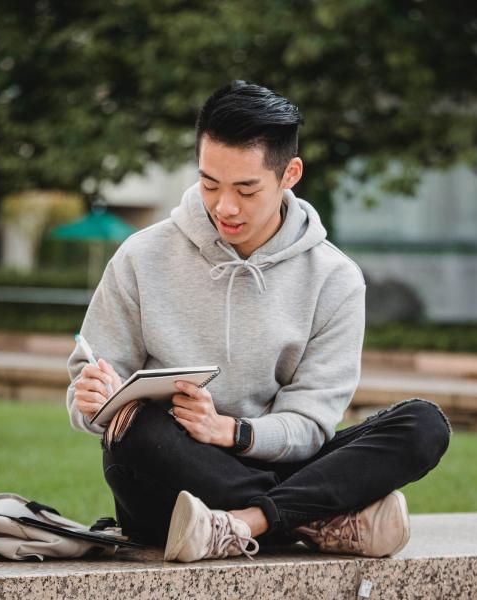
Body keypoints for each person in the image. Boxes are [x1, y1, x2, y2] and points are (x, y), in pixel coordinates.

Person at [66, 81, 451, 563]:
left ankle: (247, 524)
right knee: (134, 428)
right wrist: (91, 400)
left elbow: (311, 424)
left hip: (266, 459)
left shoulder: (335, 279)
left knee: (422, 424)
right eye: (209, 184)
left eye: (246, 189)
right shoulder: (140, 257)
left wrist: (232, 432)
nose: (224, 206)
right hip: (169, 482)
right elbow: (94, 387)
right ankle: (316, 517)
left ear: (289, 174)